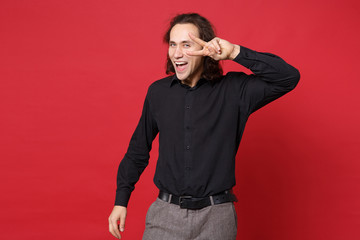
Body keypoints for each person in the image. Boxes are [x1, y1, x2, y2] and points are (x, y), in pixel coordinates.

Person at [108, 13, 300, 240]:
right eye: (172, 44)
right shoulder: (158, 93)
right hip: (166, 216)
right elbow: (138, 150)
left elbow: (288, 77)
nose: (177, 53)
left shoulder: (234, 90)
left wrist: (234, 52)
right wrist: (121, 200)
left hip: (217, 218)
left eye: (186, 45)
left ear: (205, 47)